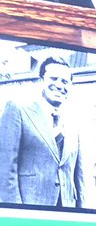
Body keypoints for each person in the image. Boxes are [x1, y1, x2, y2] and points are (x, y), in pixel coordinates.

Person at [0, 55, 85, 207]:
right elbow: (5, 170)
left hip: (67, 213)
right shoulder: (18, 110)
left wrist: (82, 213)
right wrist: (16, 213)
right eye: (54, 79)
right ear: (41, 81)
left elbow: (79, 177)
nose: (59, 85)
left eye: (65, 81)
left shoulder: (74, 122)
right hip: (31, 212)